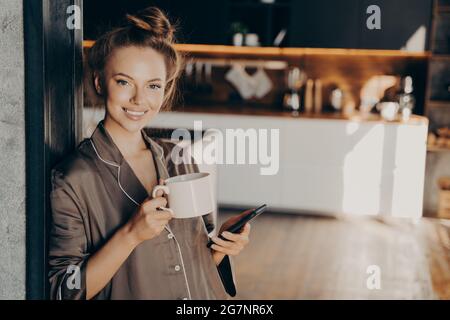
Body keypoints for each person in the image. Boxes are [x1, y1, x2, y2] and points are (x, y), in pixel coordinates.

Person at [48, 7, 251, 300]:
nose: (139, 99)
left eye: (153, 86)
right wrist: (131, 233)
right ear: (98, 83)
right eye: (124, 81)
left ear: (165, 91)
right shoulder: (71, 180)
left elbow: (198, 262)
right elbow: (62, 291)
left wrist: (221, 246)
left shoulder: (180, 160)